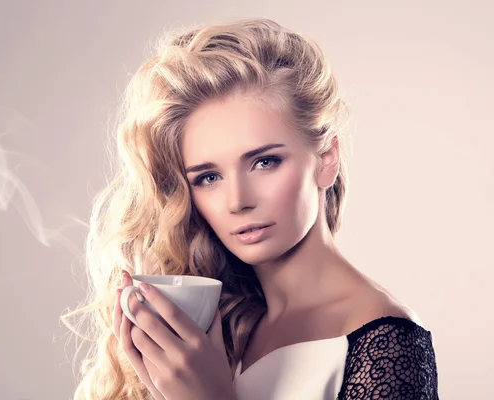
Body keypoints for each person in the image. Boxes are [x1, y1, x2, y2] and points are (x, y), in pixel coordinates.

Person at [62, 18, 439, 400]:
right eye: (208, 177)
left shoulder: (390, 343)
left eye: (264, 162)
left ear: (326, 158)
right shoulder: (220, 324)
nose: (238, 200)